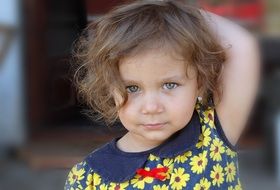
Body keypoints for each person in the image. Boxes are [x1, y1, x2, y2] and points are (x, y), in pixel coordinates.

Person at [65, 0, 260, 189]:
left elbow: (241, 45)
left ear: (199, 83)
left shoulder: (213, 133)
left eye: (169, 85)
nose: (151, 107)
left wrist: (177, 12)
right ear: (110, 88)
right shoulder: (87, 177)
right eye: (132, 88)